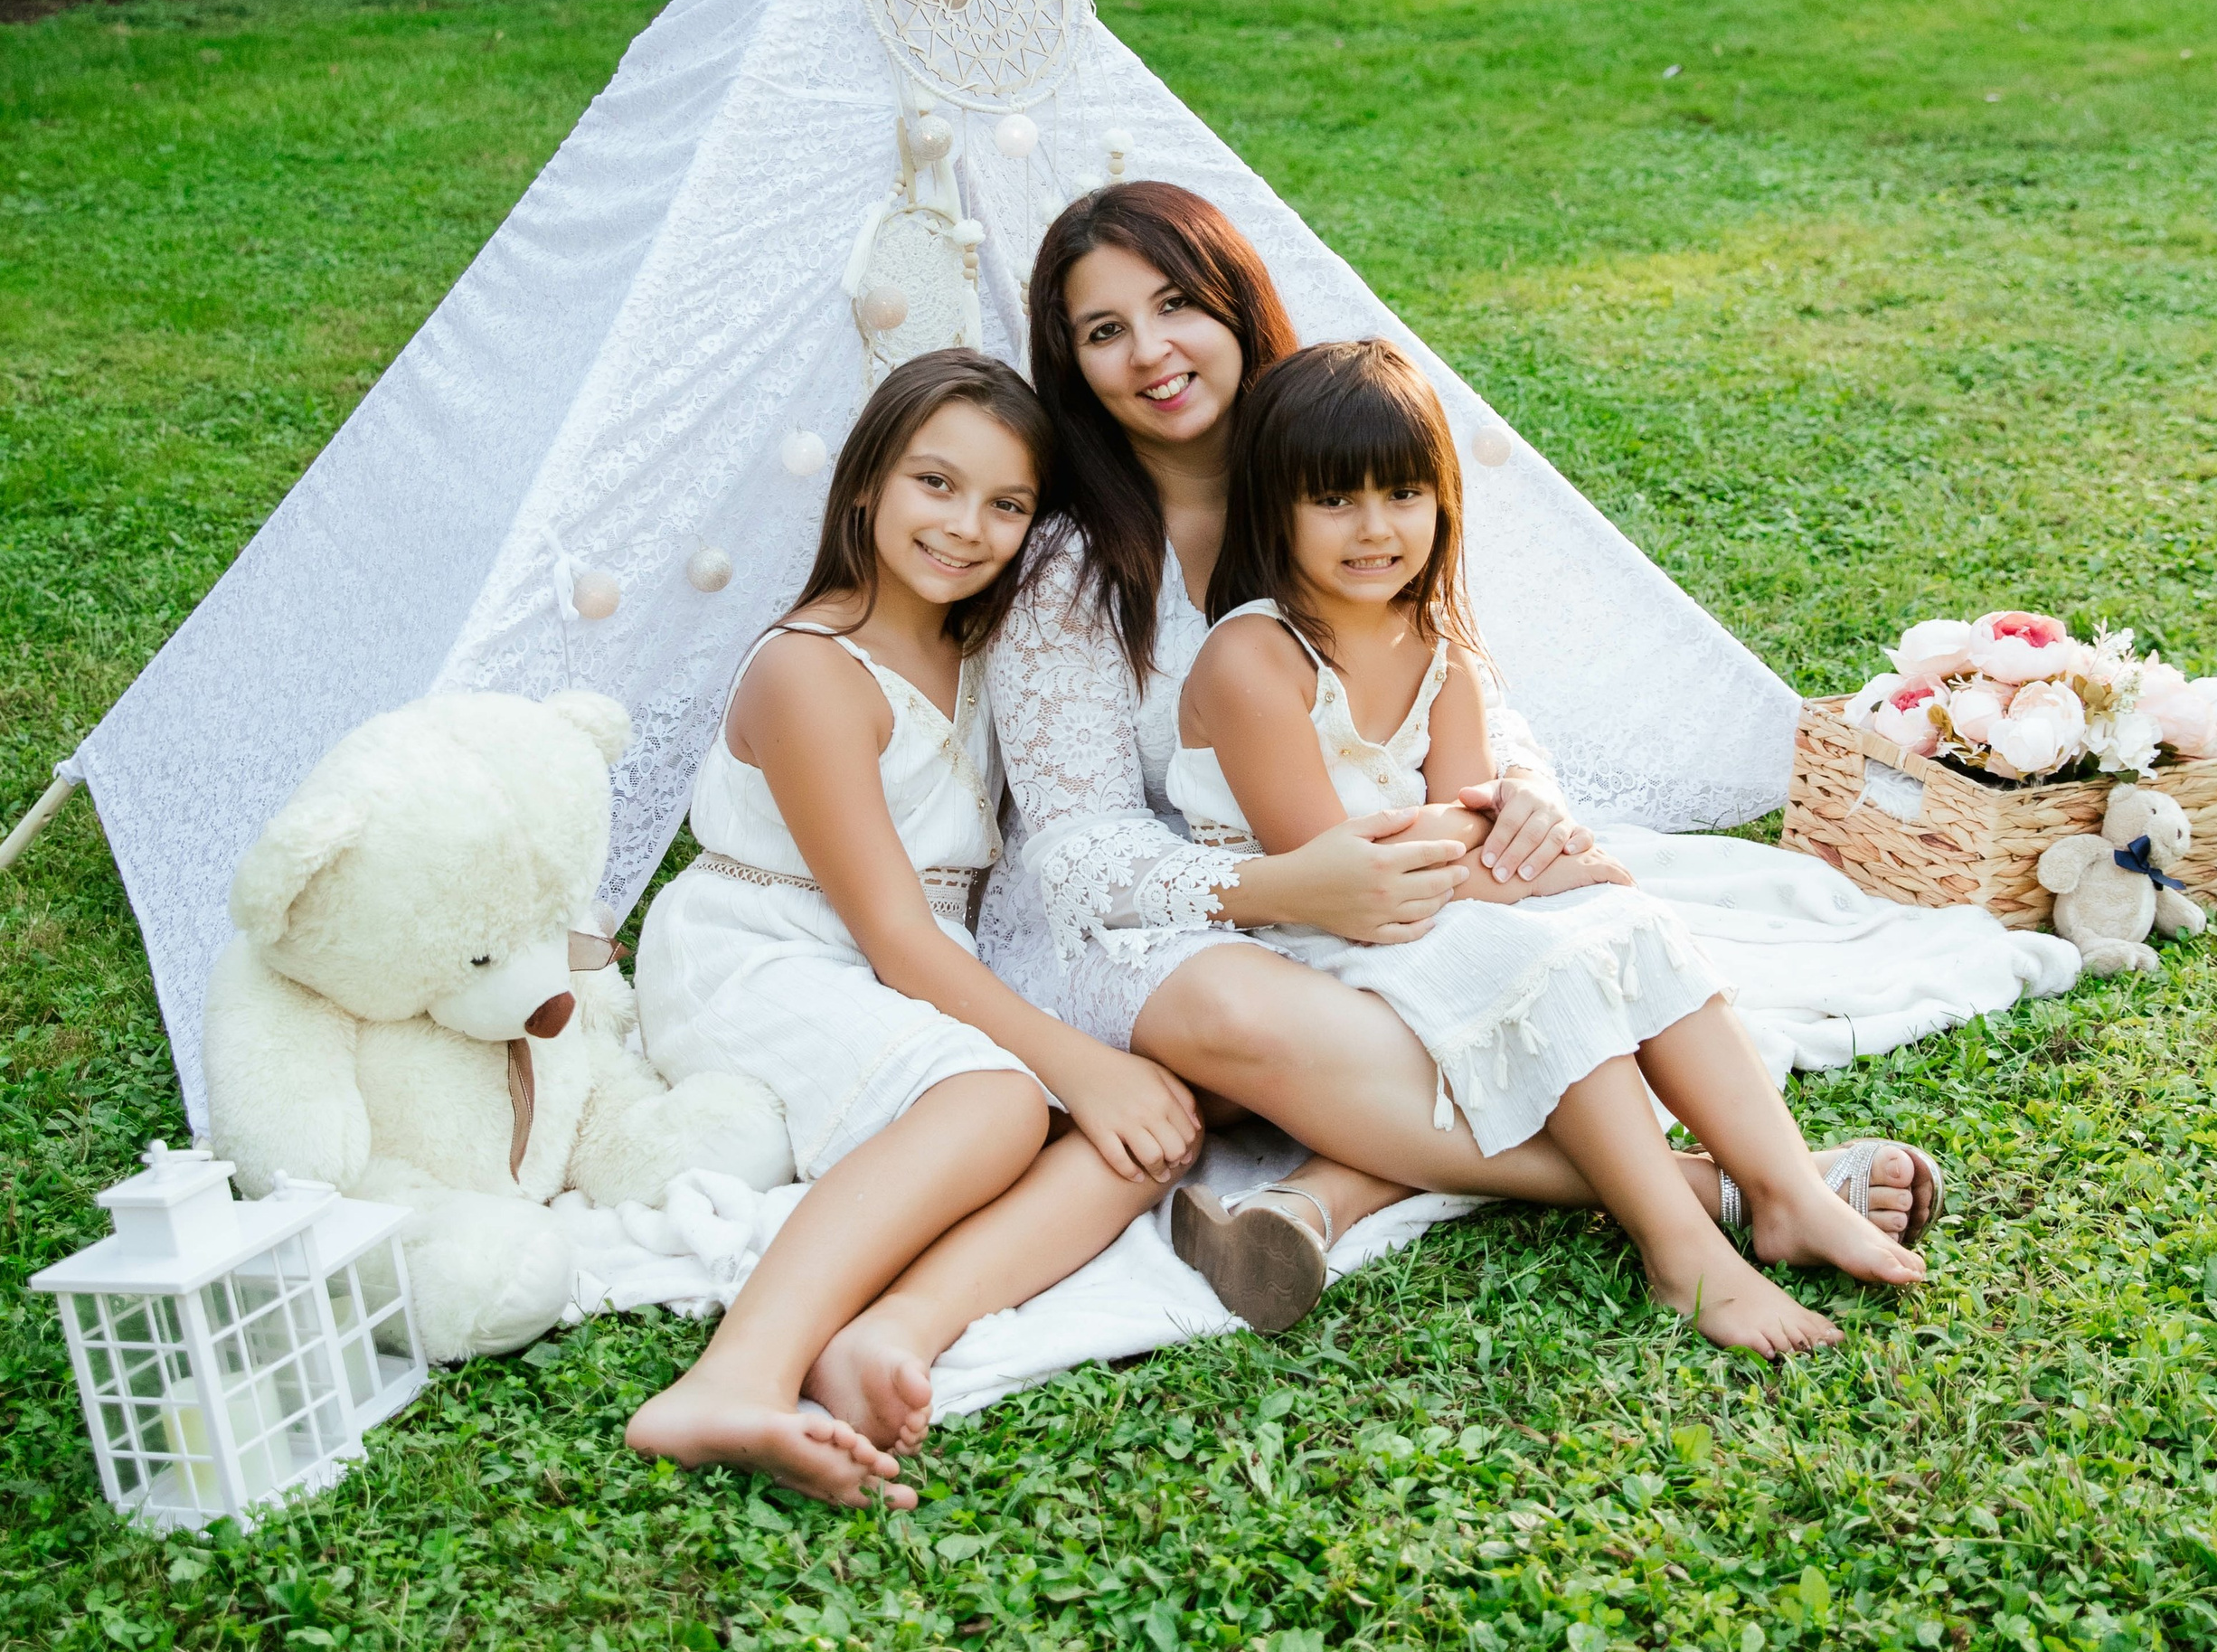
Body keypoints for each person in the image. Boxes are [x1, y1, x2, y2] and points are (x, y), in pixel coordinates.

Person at [976, 181, 1940, 1334]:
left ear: (1234, 305)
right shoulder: (1072, 569)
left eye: (1176, 304)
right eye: (1104, 330)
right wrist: (1287, 886)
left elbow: (1456, 698)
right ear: (1071, 364)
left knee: (1554, 955)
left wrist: (1516, 802)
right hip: (1166, 919)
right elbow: (1077, 848)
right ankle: (1715, 1193)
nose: (1150, 351)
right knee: (1308, 1003)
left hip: (1386, 878)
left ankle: (1341, 1188)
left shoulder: (1341, 475)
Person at [1172, 335, 1924, 1356]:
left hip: (1421, 911)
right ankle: (1682, 1254)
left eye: (1402, 494)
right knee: (1543, 956)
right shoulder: (1251, 656)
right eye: (1334, 499)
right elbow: (1335, 870)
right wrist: (1515, 859)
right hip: (1305, 937)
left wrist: (1524, 863)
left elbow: (1481, 834)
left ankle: (1787, 1189)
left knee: (1626, 919)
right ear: (1275, 509)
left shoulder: (1440, 649)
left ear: (1442, 502)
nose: (1375, 527)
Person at [626, 348, 1202, 1504]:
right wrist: (1070, 1063)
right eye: (934, 483)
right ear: (865, 485)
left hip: (911, 964)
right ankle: (732, 1377)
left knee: (1149, 1121)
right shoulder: (811, 672)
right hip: (764, 950)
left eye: (1007, 504)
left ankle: (888, 1331)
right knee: (1005, 1100)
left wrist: (1099, 1067)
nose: (965, 527)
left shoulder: (984, 651)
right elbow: (895, 934)